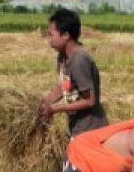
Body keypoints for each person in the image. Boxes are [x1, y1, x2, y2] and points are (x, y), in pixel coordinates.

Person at [39, 8, 106, 136]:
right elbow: (65, 86)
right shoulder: (62, 57)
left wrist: (54, 108)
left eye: (51, 34)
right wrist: (43, 103)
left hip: (90, 131)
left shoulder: (80, 59)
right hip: (76, 128)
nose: (49, 39)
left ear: (65, 36)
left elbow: (89, 100)